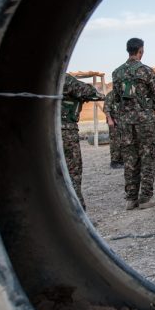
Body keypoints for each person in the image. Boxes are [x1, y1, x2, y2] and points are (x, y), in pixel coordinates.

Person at [111, 38, 155, 210]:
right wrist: (151, 107)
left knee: (130, 159)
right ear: (140, 50)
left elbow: (117, 98)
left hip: (125, 122)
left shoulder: (116, 73)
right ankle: (145, 198)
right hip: (144, 122)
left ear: (128, 50)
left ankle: (131, 199)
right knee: (148, 156)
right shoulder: (146, 71)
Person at [61, 73, 104, 210]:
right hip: (65, 131)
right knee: (73, 172)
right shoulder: (61, 78)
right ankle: (78, 214)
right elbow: (89, 91)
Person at [102, 87, 124, 168]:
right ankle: (114, 161)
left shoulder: (124, 94)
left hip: (123, 122)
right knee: (115, 142)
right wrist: (110, 120)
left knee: (123, 141)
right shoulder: (111, 94)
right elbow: (106, 108)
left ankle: (121, 160)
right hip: (114, 122)